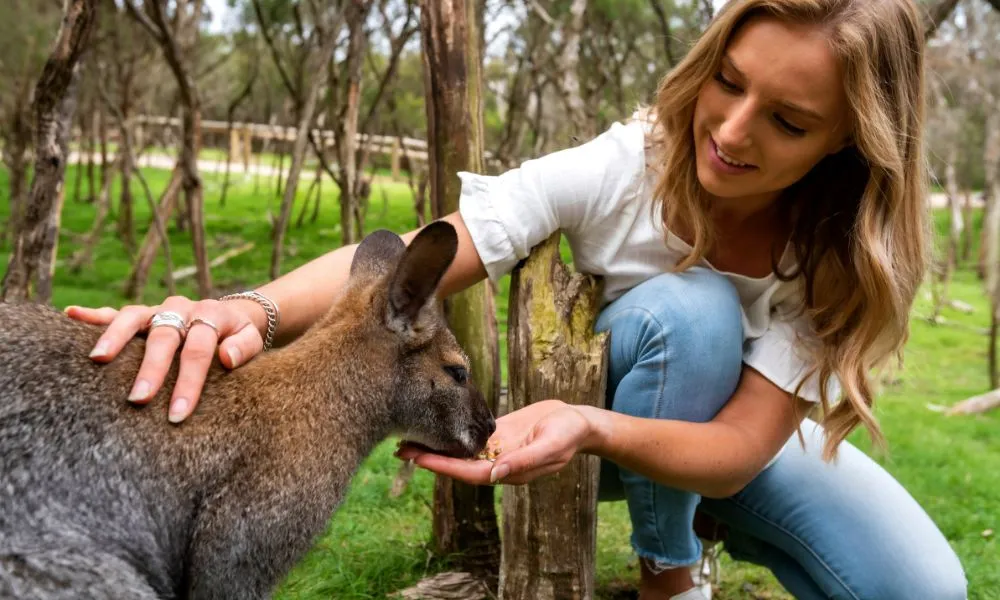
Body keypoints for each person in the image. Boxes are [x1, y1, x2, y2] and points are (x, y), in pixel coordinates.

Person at [67, 0, 967, 598]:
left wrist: (611, 433)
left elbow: (738, 449)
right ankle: (671, 571)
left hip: (730, 439)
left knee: (927, 588)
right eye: (730, 82)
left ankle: (699, 524)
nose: (729, 132)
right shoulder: (636, 161)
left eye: (788, 120)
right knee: (691, 315)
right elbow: (445, 241)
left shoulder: (840, 252)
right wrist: (249, 311)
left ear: (849, 142)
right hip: (575, 424)